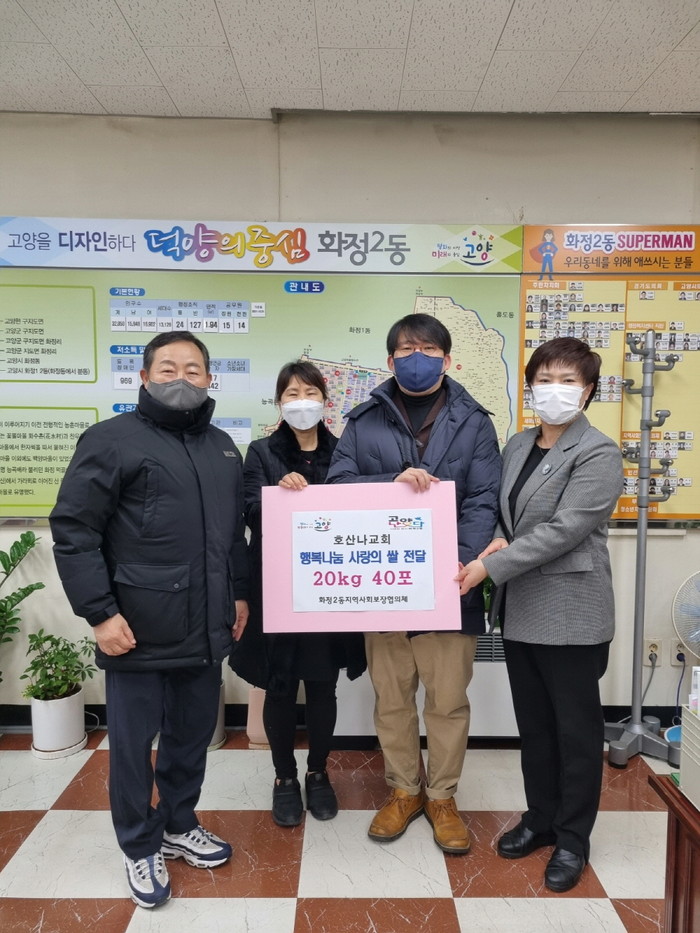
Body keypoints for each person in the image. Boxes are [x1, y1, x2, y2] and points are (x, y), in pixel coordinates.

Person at [49, 331, 249, 910]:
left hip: (205, 626)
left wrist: (238, 596)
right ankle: (139, 845)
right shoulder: (110, 440)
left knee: (190, 738)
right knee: (134, 747)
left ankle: (178, 823)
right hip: (135, 630)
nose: (180, 379)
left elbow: (231, 536)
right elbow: (75, 531)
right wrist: (100, 613)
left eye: (193, 369)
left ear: (209, 379)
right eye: (167, 368)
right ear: (143, 377)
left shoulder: (222, 448)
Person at [326, 313, 501, 855]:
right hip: (383, 585)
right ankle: (404, 790)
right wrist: (392, 483)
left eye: (428, 349)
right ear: (390, 359)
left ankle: (442, 797)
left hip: (451, 585)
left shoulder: (475, 422)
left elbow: (484, 500)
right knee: (392, 699)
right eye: (406, 349)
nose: (417, 357)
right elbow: (338, 486)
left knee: (447, 701)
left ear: (447, 360)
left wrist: (452, 566)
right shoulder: (363, 421)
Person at [456, 337, 623, 893]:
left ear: (588, 390)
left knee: (576, 733)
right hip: (522, 607)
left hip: (572, 611)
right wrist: (492, 542)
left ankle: (573, 838)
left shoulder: (598, 452)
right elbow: (507, 516)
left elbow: (564, 530)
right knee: (535, 727)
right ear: (529, 386)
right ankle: (540, 818)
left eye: (568, 381)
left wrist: (489, 567)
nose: (555, 390)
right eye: (545, 379)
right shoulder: (518, 444)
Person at [230, 360, 365, 827]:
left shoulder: (344, 451)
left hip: (329, 587)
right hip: (277, 586)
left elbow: (359, 507)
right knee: (281, 686)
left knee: (323, 685)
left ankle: (318, 773)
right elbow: (249, 510)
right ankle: (284, 777)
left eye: (310, 393)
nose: (301, 402)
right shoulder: (261, 452)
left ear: (325, 401)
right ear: (279, 402)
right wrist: (279, 495)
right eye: (292, 394)